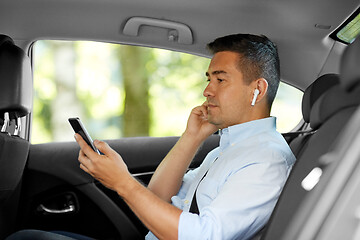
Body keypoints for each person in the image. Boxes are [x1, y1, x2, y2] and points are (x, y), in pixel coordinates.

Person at [6, 34, 296, 240]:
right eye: (209, 80)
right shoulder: (229, 149)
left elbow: (203, 236)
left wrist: (121, 182)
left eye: (220, 79)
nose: (207, 91)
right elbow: (159, 198)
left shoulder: (266, 159)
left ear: (257, 89)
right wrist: (191, 137)